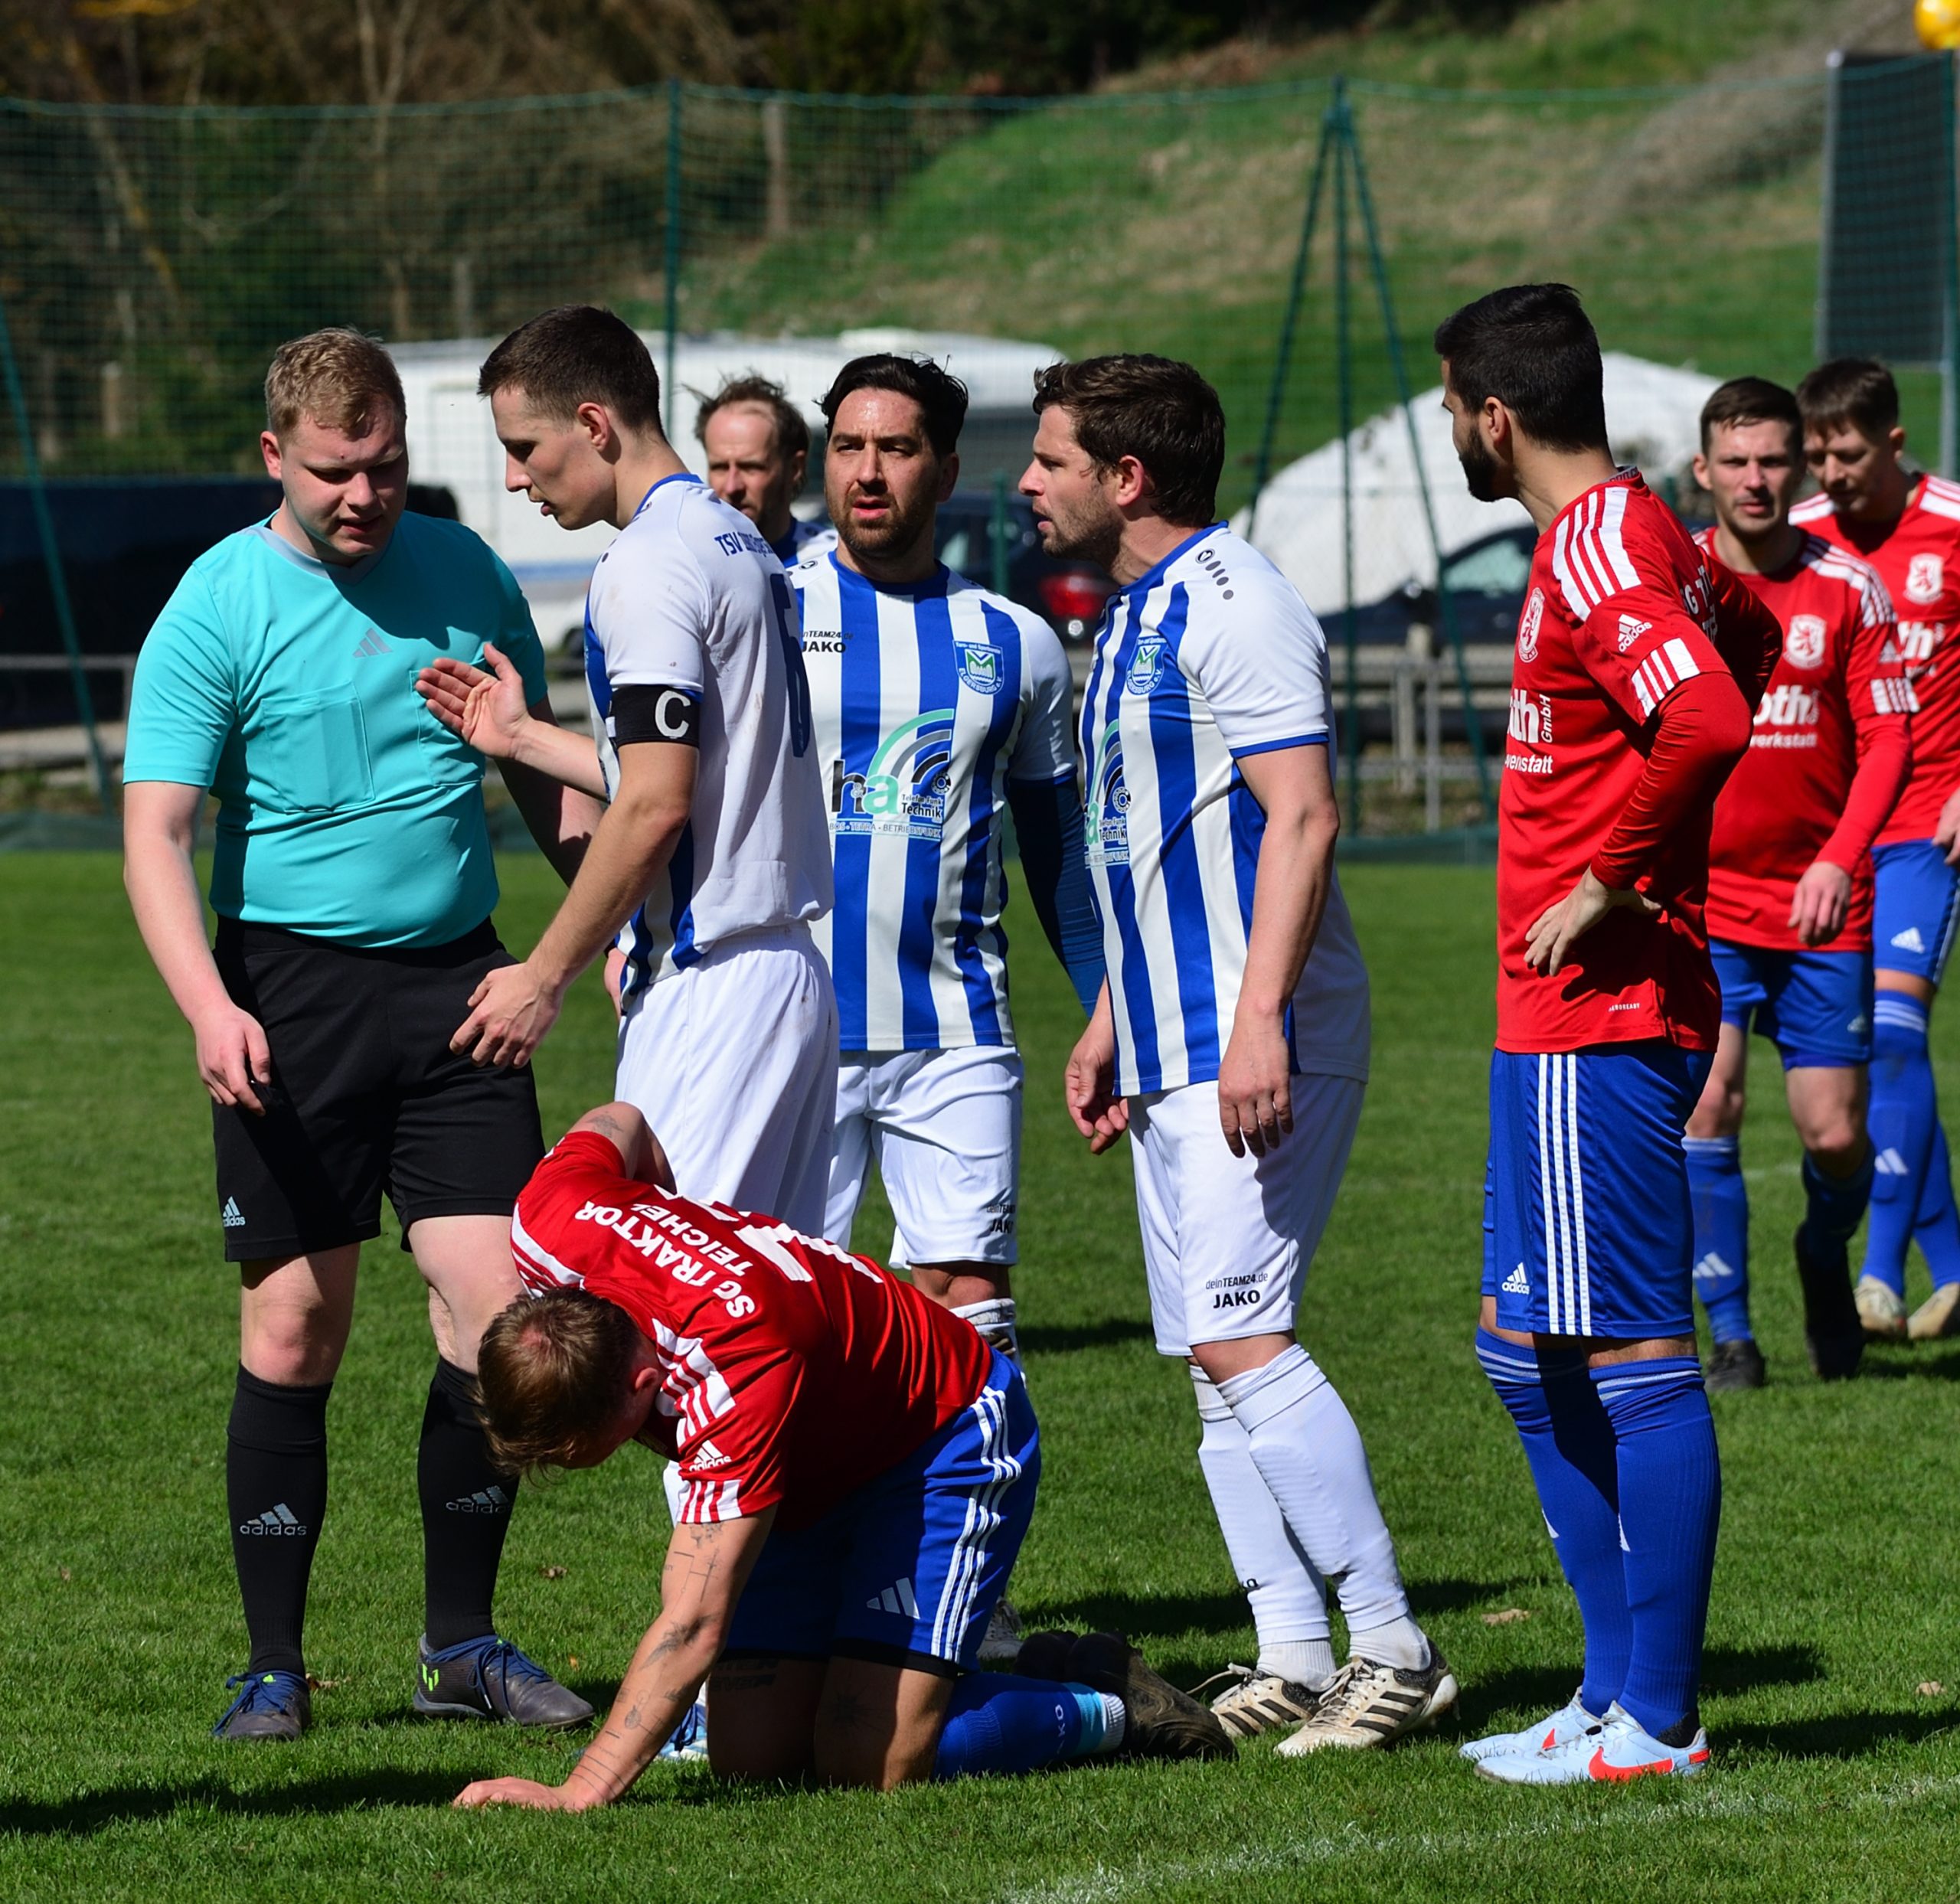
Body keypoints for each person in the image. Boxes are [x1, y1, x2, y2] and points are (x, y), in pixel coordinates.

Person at [122, 328, 603, 1741]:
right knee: (295, 1320)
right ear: (275, 454)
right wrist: (211, 1006)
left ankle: (461, 1643)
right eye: (336, 471)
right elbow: (156, 831)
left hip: (460, 986)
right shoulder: (216, 601)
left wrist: (610, 930)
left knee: (498, 1315)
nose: (364, 495)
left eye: (385, 466)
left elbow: (538, 771)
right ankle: (273, 1665)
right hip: (290, 996)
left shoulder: (466, 573)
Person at [1023, 353, 1453, 1755]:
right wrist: (1111, 1021)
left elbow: (1305, 815)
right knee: (1213, 1358)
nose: (1028, 482)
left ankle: (1394, 1645)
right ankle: (1294, 1649)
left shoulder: (1237, 600)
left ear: (1126, 476)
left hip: (1255, 1030)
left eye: (1050, 458)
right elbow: (1151, 845)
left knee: (1238, 1331)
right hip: (1175, 1032)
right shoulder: (1133, 612)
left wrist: (1259, 1013)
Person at [447, 1100, 1231, 1811]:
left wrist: (580, 1790)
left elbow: (693, 1623)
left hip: (939, 1438)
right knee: (754, 1760)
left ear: (642, 1383)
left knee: (868, 1761)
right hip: (811, 1454)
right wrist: (675, 1230)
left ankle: (1106, 1702)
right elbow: (619, 1119)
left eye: (573, 1453)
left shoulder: (733, 1370)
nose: (563, 1470)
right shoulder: (548, 1218)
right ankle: (919, 1678)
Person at [1434, 285, 1780, 1784]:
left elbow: (1706, 717)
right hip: (1557, 1012)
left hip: (1605, 1009)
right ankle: (1604, 1691)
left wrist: (1614, 878)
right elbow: (1751, 634)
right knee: (1520, 1349)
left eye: (1453, 408)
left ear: (1493, 415)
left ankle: (1658, 1718)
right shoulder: (1643, 535)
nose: (1455, 432)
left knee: (1634, 1352)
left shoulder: (1598, 544)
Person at [414, 305, 837, 1236]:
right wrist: (525, 739)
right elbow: (698, 766)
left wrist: (544, 976)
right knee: (768, 1305)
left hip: (712, 987)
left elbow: (655, 804)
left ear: (594, 424)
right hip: (788, 979)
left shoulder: (646, 561)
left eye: (525, 447)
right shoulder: (733, 539)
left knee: (667, 1302)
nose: (515, 476)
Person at [793, 352, 1103, 1370]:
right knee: (784, 1320)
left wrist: (1106, 1007)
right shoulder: (766, 611)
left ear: (947, 467)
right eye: (848, 447)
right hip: (786, 1022)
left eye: (896, 448)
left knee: (968, 1308)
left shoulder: (1015, 642)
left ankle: (964, 1478)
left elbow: (1058, 849)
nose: (867, 471)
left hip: (954, 1028)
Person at [1684, 377, 1912, 1390]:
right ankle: (1732, 1334)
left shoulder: (1847, 586)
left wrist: (1838, 856)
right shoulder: (1675, 585)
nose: (1756, 479)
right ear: (1704, 470)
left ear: (1799, 466)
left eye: (1774, 459)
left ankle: (1823, 1256)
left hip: (1821, 905)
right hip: (1704, 902)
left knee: (1834, 1130)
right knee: (1710, 1106)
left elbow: (1890, 740)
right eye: (1736, 461)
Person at [1792, 359, 1960, 1344]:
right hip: (1832, 840)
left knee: (1895, 1034)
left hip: (1926, 827)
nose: (1830, 473)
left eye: (1847, 454)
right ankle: (1954, 1267)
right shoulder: (1800, 540)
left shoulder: (1952, 523)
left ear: (1893, 441)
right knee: (1870, 1054)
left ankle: (1877, 1276)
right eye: (1817, 455)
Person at [696, 373, 834, 567]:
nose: (732, 487)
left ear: (794, 468)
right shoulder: (687, 561)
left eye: (751, 467)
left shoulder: (835, 563)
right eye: (720, 467)